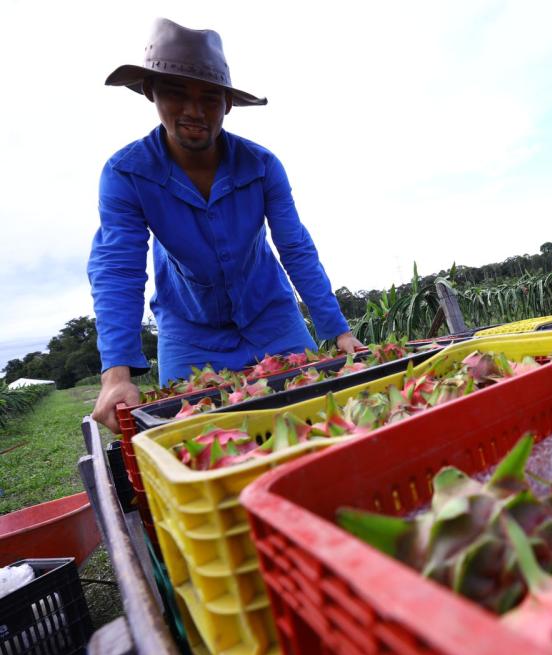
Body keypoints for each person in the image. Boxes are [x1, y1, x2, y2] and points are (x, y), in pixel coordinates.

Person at [89, 18, 361, 433]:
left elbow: (295, 247)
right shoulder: (126, 173)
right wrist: (116, 375)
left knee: (319, 416)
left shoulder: (262, 166)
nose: (195, 111)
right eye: (177, 93)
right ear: (150, 92)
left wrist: (338, 331)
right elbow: (118, 268)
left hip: (271, 315)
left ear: (228, 104)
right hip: (189, 330)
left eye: (210, 98)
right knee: (200, 433)